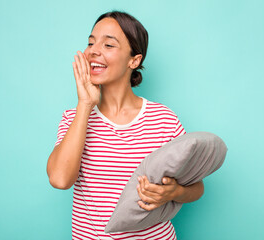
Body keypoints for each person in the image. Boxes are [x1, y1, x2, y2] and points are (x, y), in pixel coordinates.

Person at [47, 11, 204, 240]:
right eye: (91, 42)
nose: (93, 50)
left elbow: (197, 187)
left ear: (134, 60)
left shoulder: (164, 120)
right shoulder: (74, 118)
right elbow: (60, 179)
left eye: (108, 44)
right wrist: (85, 104)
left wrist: (174, 192)